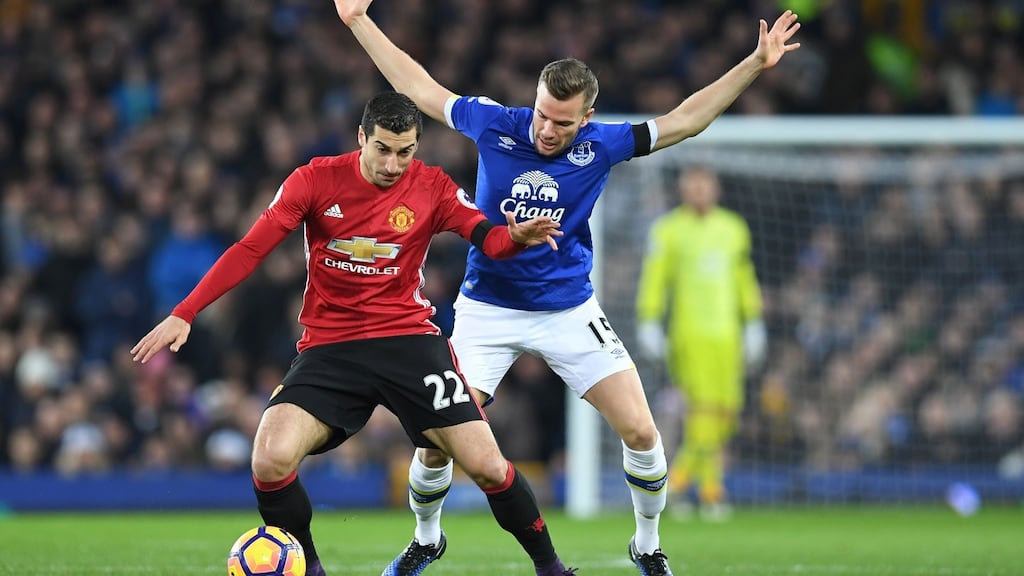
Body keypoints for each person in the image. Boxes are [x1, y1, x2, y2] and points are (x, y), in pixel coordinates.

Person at [333, 2, 800, 575]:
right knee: (436, 441)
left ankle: (648, 547)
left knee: (641, 430)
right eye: (542, 115)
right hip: (487, 309)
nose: (548, 130)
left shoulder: (602, 144)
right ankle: (426, 539)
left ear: (587, 116)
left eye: (563, 122)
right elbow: (418, 85)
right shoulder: (494, 123)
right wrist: (358, 22)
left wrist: (754, 63)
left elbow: (684, 120)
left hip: (567, 310)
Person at [129, 92, 575, 576]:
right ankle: (312, 570)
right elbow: (250, 248)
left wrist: (515, 237)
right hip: (331, 346)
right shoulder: (315, 179)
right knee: (269, 459)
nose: (393, 163)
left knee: (488, 465)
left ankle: (551, 569)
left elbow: (486, 237)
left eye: (405, 151)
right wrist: (186, 312)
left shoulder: (432, 186)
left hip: (408, 341)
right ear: (361, 137)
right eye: (383, 149)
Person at [635, 166, 767, 521]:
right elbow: (655, 278)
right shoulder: (668, 230)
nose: (698, 191)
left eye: (704, 184)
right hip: (689, 336)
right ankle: (709, 491)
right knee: (704, 412)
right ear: (682, 189)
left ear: (716, 188)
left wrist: (753, 320)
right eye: (691, 185)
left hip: (729, 334)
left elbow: (744, 278)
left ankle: (678, 484)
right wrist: (649, 318)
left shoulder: (733, 228)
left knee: (726, 413)